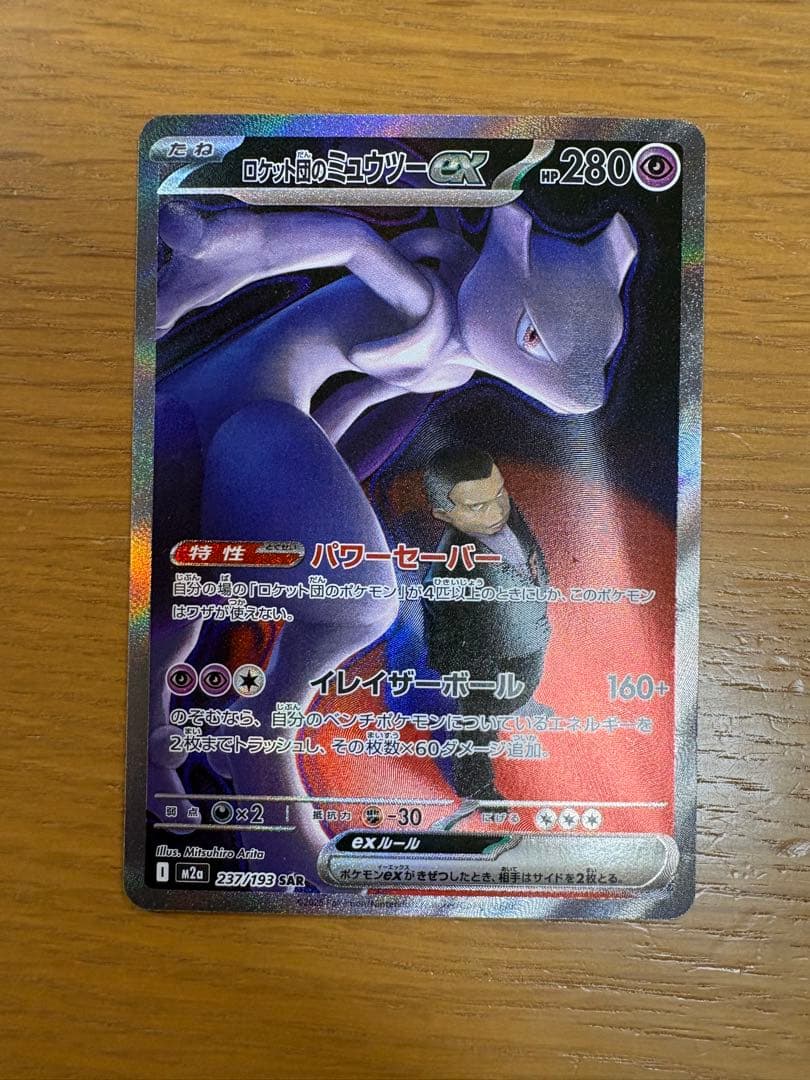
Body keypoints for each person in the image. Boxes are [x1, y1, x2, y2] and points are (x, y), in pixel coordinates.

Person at [421, 444, 552, 801]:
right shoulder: (445, 572)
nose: (497, 511)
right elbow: (443, 638)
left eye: (500, 494)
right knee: (477, 725)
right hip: (485, 664)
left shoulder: (509, 514)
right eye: (477, 506)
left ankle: (516, 702)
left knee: (525, 683)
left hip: (529, 635)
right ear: (444, 515)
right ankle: (475, 786)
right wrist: (479, 679)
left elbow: (529, 550)